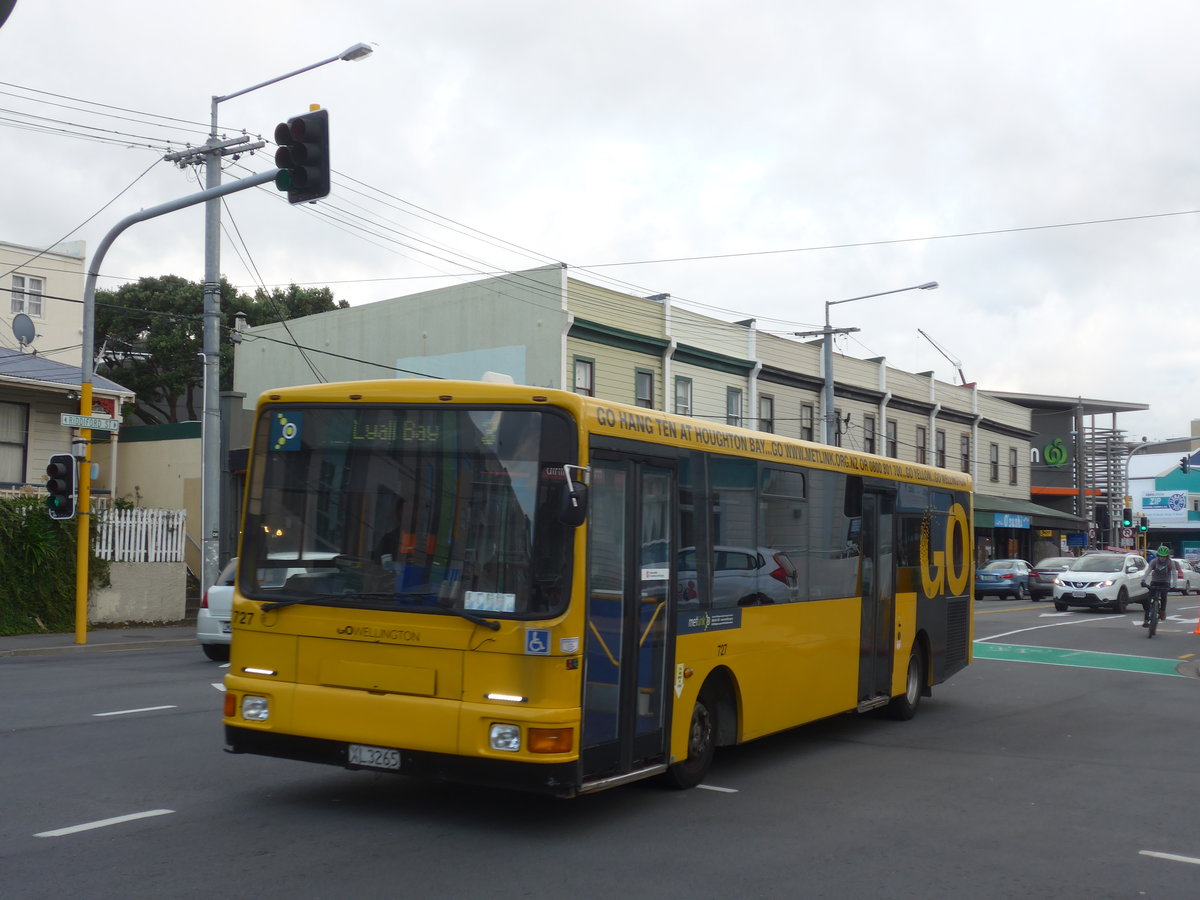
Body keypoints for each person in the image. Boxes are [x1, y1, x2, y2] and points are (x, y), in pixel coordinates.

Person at [1141, 545, 1173, 626]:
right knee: (1148, 600)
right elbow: (1147, 571)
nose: (1162, 558)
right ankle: (1146, 619)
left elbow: (1174, 573)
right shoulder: (1153, 562)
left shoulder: (1170, 563)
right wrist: (1143, 580)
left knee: (1164, 597)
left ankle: (1162, 611)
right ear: (1158, 555)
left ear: (1167, 556)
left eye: (1164, 556)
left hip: (1165, 582)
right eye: (1161, 556)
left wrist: (1173, 585)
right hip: (1155, 581)